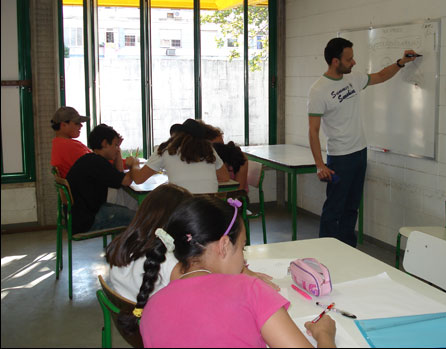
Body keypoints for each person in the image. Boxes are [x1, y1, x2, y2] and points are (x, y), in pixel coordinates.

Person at [119, 195, 336, 348]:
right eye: (242, 248)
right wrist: (325, 336)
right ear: (223, 246)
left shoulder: (151, 308)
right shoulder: (250, 289)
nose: (243, 258)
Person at [308, 37, 418, 247]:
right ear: (335, 61)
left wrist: (400, 63)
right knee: (334, 208)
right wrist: (320, 164)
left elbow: (381, 76)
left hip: (360, 153)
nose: (354, 62)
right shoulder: (318, 90)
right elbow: (313, 131)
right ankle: (326, 252)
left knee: (352, 208)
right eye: (349, 59)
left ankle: (349, 249)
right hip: (339, 157)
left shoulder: (354, 78)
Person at [106, 184, 277, 301]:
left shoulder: (125, 243)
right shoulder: (168, 262)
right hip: (162, 329)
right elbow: (204, 295)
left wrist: (242, 271)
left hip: (133, 322)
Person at [66, 123, 137, 234]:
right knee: (139, 218)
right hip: (87, 220)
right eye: (115, 145)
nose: (116, 149)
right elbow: (126, 181)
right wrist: (134, 164)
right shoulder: (97, 163)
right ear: (104, 143)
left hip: (79, 216)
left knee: (129, 210)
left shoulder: (90, 159)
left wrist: (117, 152)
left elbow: (118, 175)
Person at [127, 118, 230, 194]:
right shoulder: (209, 150)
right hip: (209, 210)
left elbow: (139, 179)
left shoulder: (165, 149)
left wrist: (134, 164)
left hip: (181, 210)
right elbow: (225, 177)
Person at [200, 120, 250, 191]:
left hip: (234, 199)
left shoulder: (239, 158)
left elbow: (239, 190)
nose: (222, 149)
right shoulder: (201, 158)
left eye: (222, 145)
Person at [50, 106, 91, 178]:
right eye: (76, 123)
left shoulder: (57, 143)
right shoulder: (70, 146)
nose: (81, 125)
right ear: (63, 125)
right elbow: (99, 166)